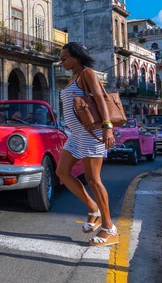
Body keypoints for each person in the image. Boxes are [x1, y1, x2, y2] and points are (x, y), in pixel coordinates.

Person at [55, 42, 117, 247]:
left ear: (77, 56)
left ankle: (109, 228)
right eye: (61, 57)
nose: (61, 60)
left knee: (93, 179)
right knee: (62, 172)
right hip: (76, 134)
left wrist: (108, 126)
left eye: (65, 57)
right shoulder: (73, 77)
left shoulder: (87, 73)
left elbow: (100, 98)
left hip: (92, 133)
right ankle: (93, 208)